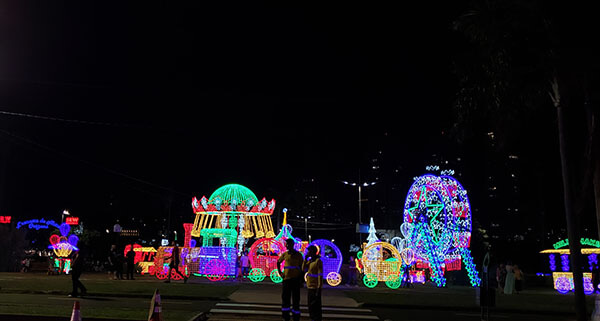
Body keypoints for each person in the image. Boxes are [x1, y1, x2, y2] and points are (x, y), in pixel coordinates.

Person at [277, 238, 304, 321]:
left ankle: (296, 316)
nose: (288, 246)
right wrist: (280, 272)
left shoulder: (298, 255)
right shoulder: (285, 254)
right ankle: (286, 316)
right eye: (287, 244)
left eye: (289, 244)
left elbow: (301, 267)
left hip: (295, 280)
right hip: (286, 279)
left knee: (296, 299)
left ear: (293, 245)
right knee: (285, 298)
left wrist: (301, 280)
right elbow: (278, 262)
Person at [303, 245, 323, 321]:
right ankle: (312, 318)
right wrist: (305, 259)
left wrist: (319, 287)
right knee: (310, 305)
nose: (308, 252)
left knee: (316, 305)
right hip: (309, 286)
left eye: (309, 251)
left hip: (315, 287)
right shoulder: (310, 261)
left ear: (313, 252)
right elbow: (303, 268)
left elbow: (320, 275)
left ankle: (316, 318)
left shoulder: (318, 261)